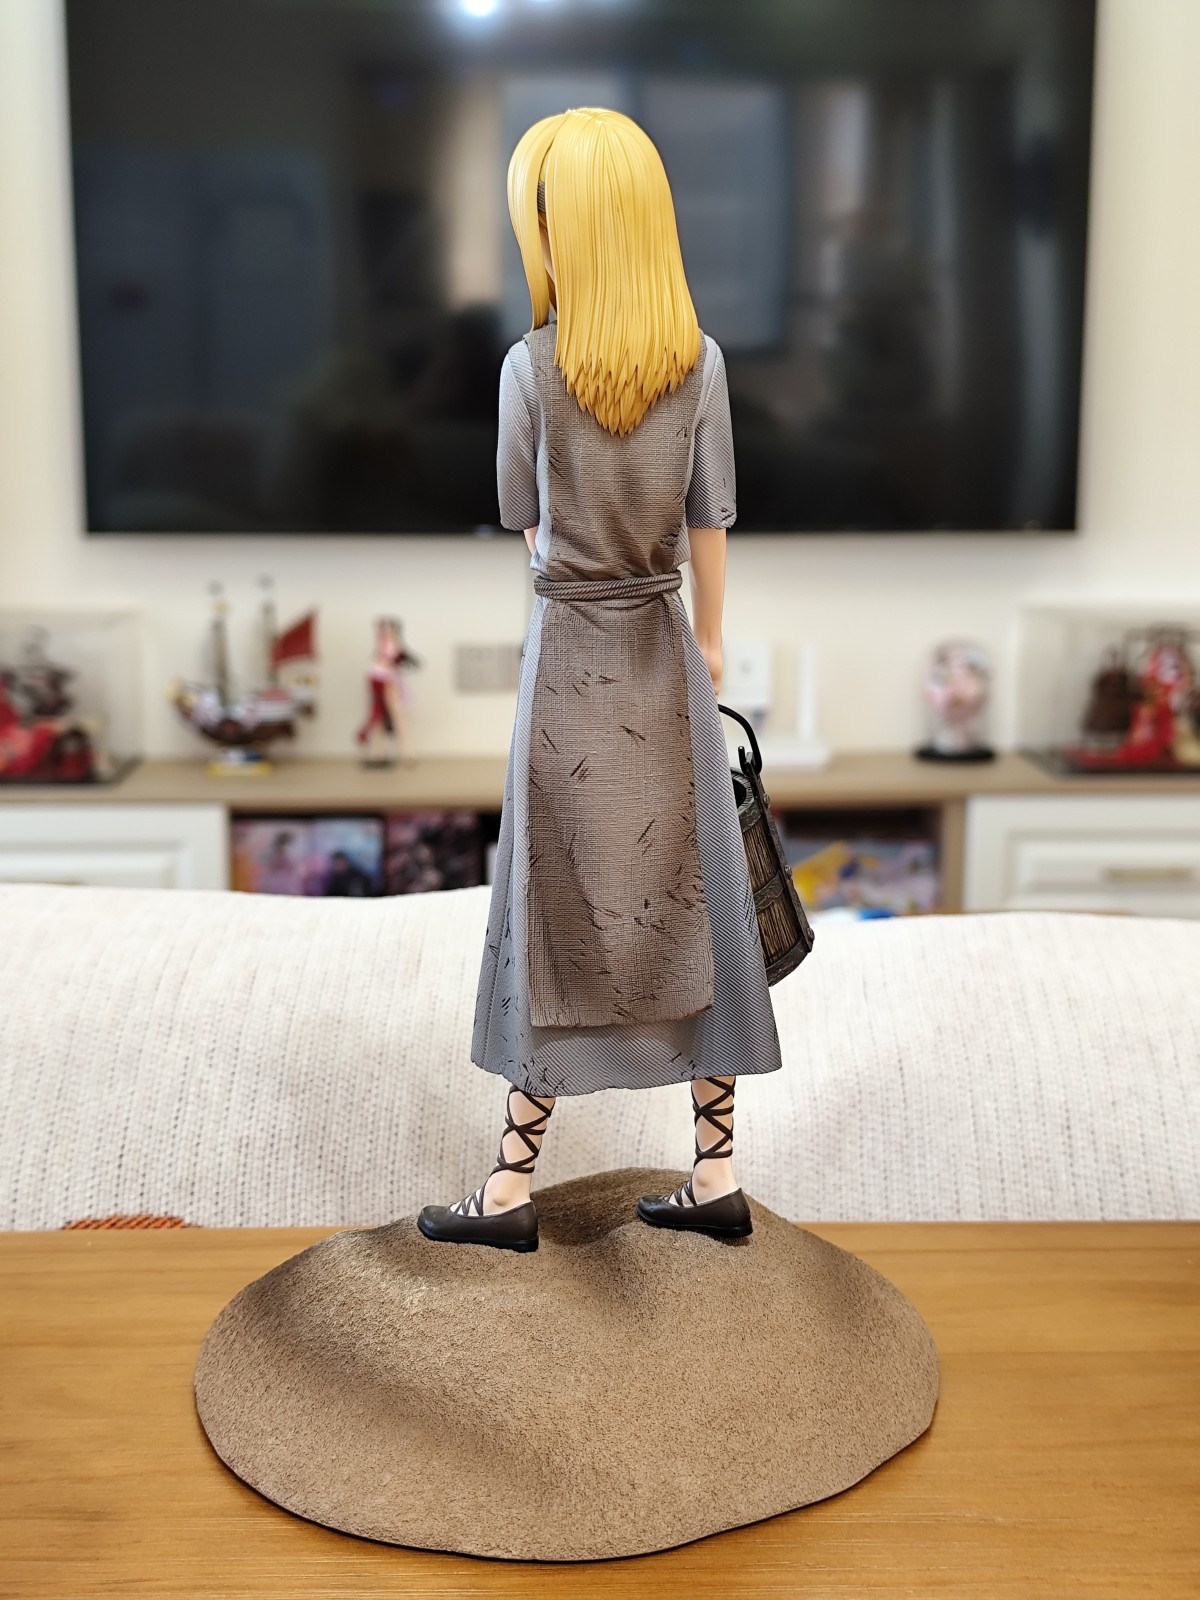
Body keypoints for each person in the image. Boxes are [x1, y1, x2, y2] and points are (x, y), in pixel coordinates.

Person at [418, 108, 782, 1254]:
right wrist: (709, 639)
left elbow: (523, 519)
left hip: (568, 655)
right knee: (697, 899)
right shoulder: (702, 362)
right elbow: (711, 516)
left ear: (562, 228)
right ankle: (716, 1170)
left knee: (553, 907)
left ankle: (508, 1188)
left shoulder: (529, 368)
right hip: (666, 651)